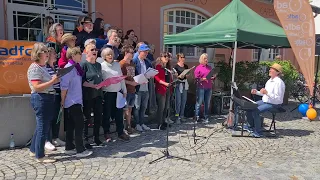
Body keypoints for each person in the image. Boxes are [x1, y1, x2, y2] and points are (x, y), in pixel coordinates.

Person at [27, 42, 59, 163]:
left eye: (47, 51)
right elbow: (36, 87)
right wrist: (52, 81)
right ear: (38, 54)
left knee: (41, 126)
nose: (47, 54)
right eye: (45, 52)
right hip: (41, 98)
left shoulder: (43, 67)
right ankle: (40, 155)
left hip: (47, 97)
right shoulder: (35, 68)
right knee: (42, 127)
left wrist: (55, 80)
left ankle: (33, 150)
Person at [60, 47, 93, 157]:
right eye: (79, 54)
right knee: (79, 125)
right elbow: (64, 87)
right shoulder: (68, 68)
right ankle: (80, 149)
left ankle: (69, 147)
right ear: (73, 55)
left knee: (71, 126)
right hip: (72, 101)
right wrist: (62, 101)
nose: (81, 56)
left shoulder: (76, 67)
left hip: (77, 100)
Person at [245, 63, 285, 138]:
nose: (269, 70)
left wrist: (267, 93)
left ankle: (258, 132)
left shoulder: (279, 83)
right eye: (270, 69)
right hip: (265, 101)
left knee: (256, 111)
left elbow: (278, 98)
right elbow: (265, 94)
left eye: (271, 69)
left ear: (277, 72)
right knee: (249, 107)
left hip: (274, 104)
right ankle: (250, 127)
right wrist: (256, 92)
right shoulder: (269, 81)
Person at [100, 47, 130, 141]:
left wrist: (124, 90)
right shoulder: (102, 66)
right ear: (104, 56)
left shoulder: (117, 65)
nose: (110, 56)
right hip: (107, 93)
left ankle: (120, 132)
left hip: (118, 93)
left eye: (111, 54)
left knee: (118, 114)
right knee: (107, 114)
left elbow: (121, 78)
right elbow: (101, 81)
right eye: (108, 54)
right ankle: (106, 133)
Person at [81, 43, 104, 146]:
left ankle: (96, 138)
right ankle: (85, 139)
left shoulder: (99, 65)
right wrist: (93, 85)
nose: (95, 51)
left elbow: (99, 77)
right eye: (92, 49)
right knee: (87, 118)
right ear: (86, 52)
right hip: (88, 95)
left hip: (98, 94)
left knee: (98, 117)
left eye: (96, 49)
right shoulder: (84, 65)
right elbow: (82, 81)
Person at [44, 47, 65, 152]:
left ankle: (55, 138)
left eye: (55, 53)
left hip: (57, 94)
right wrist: (55, 79)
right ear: (48, 55)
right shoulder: (44, 67)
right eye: (53, 53)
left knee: (57, 117)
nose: (56, 55)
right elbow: (47, 81)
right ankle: (47, 140)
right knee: (48, 118)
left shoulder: (56, 66)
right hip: (49, 94)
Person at [132, 44, 152, 132]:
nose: (146, 53)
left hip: (146, 86)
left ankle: (142, 123)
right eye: (145, 52)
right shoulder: (135, 61)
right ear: (139, 52)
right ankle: (137, 124)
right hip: (138, 87)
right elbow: (132, 74)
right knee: (137, 107)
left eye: (147, 52)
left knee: (144, 106)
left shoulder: (147, 62)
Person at [119, 45, 138, 134]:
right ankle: (122, 128)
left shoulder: (132, 64)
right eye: (132, 52)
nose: (133, 54)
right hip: (125, 91)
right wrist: (131, 83)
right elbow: (121, 79)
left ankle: (128, 126)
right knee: (124, 110)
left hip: (132, 90)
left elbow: (132, 77)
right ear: (126, 53)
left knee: (129, 109)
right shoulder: (121, 64)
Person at [194, 53, 215, 123]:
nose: (206, 60)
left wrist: (212, 78)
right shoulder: (198, 68)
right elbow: (196, 79)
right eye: (205, 58)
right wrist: (203, 79)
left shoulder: (209, 67)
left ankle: (206, 117)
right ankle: (197, 116)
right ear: (201, 60)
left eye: (207, 58)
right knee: (199, 102)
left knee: (207, 103)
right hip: (201, 87)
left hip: (209, 87)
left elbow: (210, 76)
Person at [154, 52, 173, 130]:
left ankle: (163, 121)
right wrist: (164, 83)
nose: (166, 58)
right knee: (161, 108)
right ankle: (159, 124)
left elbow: (170, 78)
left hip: (168, 89)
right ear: (161, 57)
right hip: (161, 89)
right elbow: (156, 78)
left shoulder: (168, 67)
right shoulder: (158, 67)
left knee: (166, 107)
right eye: (165, 56)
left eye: (167, 56)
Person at [173, 53, 189, 124]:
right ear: (178, 58)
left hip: (184, 84)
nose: (183, 58)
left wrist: (187, 75)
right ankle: (177, 116)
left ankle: (182, 115)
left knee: (184, 101)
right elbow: (175, 76)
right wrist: (179, 76)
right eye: (182, 57)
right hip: (178, 84)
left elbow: (187, 74)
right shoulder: (175, 66)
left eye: (184, 57)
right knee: (178, 102)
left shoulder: (186, 66)